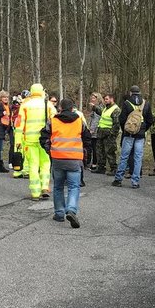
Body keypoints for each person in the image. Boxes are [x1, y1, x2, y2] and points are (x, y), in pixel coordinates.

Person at [41, 98, 92, 229]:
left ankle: (59, 213)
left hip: (57, 158)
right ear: (72, 108)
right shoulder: (79, 121)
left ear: (60, 108)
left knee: (58, 187)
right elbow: (87, 139)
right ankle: (71, 210)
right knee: (74, 187)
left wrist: (49, 150)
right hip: (74, 159)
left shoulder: (53, 120)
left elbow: (43, 137)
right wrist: (84, 154)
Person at [17, 83, 55, 200]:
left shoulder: (25, 105)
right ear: (42, 91)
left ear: (31, 91)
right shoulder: (48, 105)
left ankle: (35, 193)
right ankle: (44, 187)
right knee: (45, 164)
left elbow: (19, 124)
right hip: (45, 140)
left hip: (29, 140)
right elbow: (55, 122)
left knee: (33, 165)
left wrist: (18, 141)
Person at [112, 85, 154, 189]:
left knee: (124, 157)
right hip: (140, 135)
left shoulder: (127, 103)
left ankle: (118, 179)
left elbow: (122, 119)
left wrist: (126, 129)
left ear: (131, 92)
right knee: (138, 158)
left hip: (129, 134)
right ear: (139, 92)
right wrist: (144, 129)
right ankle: (135, 182)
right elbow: (150, 120)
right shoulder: (146, 103)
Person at [93, 93, 120, 175]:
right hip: (101, 133)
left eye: (107, 99)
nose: (105, 101)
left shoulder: (116, 109)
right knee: (100, 151)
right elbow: (102, 114)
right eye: (105, 99)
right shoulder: (106, 108)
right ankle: (101, 167)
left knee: (110, 151)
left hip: (109, 134)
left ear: (112, 99)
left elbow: (116, 124)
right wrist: (95, 108)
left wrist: (112, 134)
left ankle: (113, 169)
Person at [85, 92, 102, 171]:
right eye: (91, 98)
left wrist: (92, 130)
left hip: (96, 131)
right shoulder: (94, 108)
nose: (92, 99)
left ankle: (95, 164)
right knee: (92, 147)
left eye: (94, 98)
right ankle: (93, 162)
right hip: (92, 129)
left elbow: (96, 120)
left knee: (95, 148)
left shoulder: (98, 108)